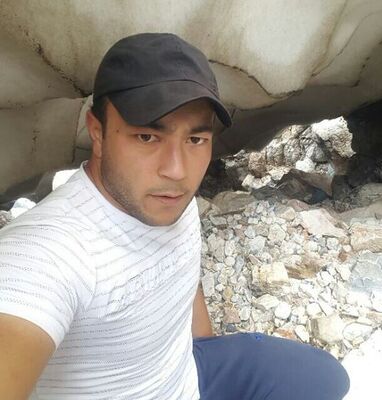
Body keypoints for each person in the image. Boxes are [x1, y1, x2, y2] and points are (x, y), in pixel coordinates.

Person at [0, 33, 350, 400]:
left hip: (190, 374)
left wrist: (205, 346)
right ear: (97, 133)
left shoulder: (166, 198)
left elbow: (182, 273)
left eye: (195, 139)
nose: (177, 170)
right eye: (147, 137)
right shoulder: (44, 254)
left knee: (326, 379)